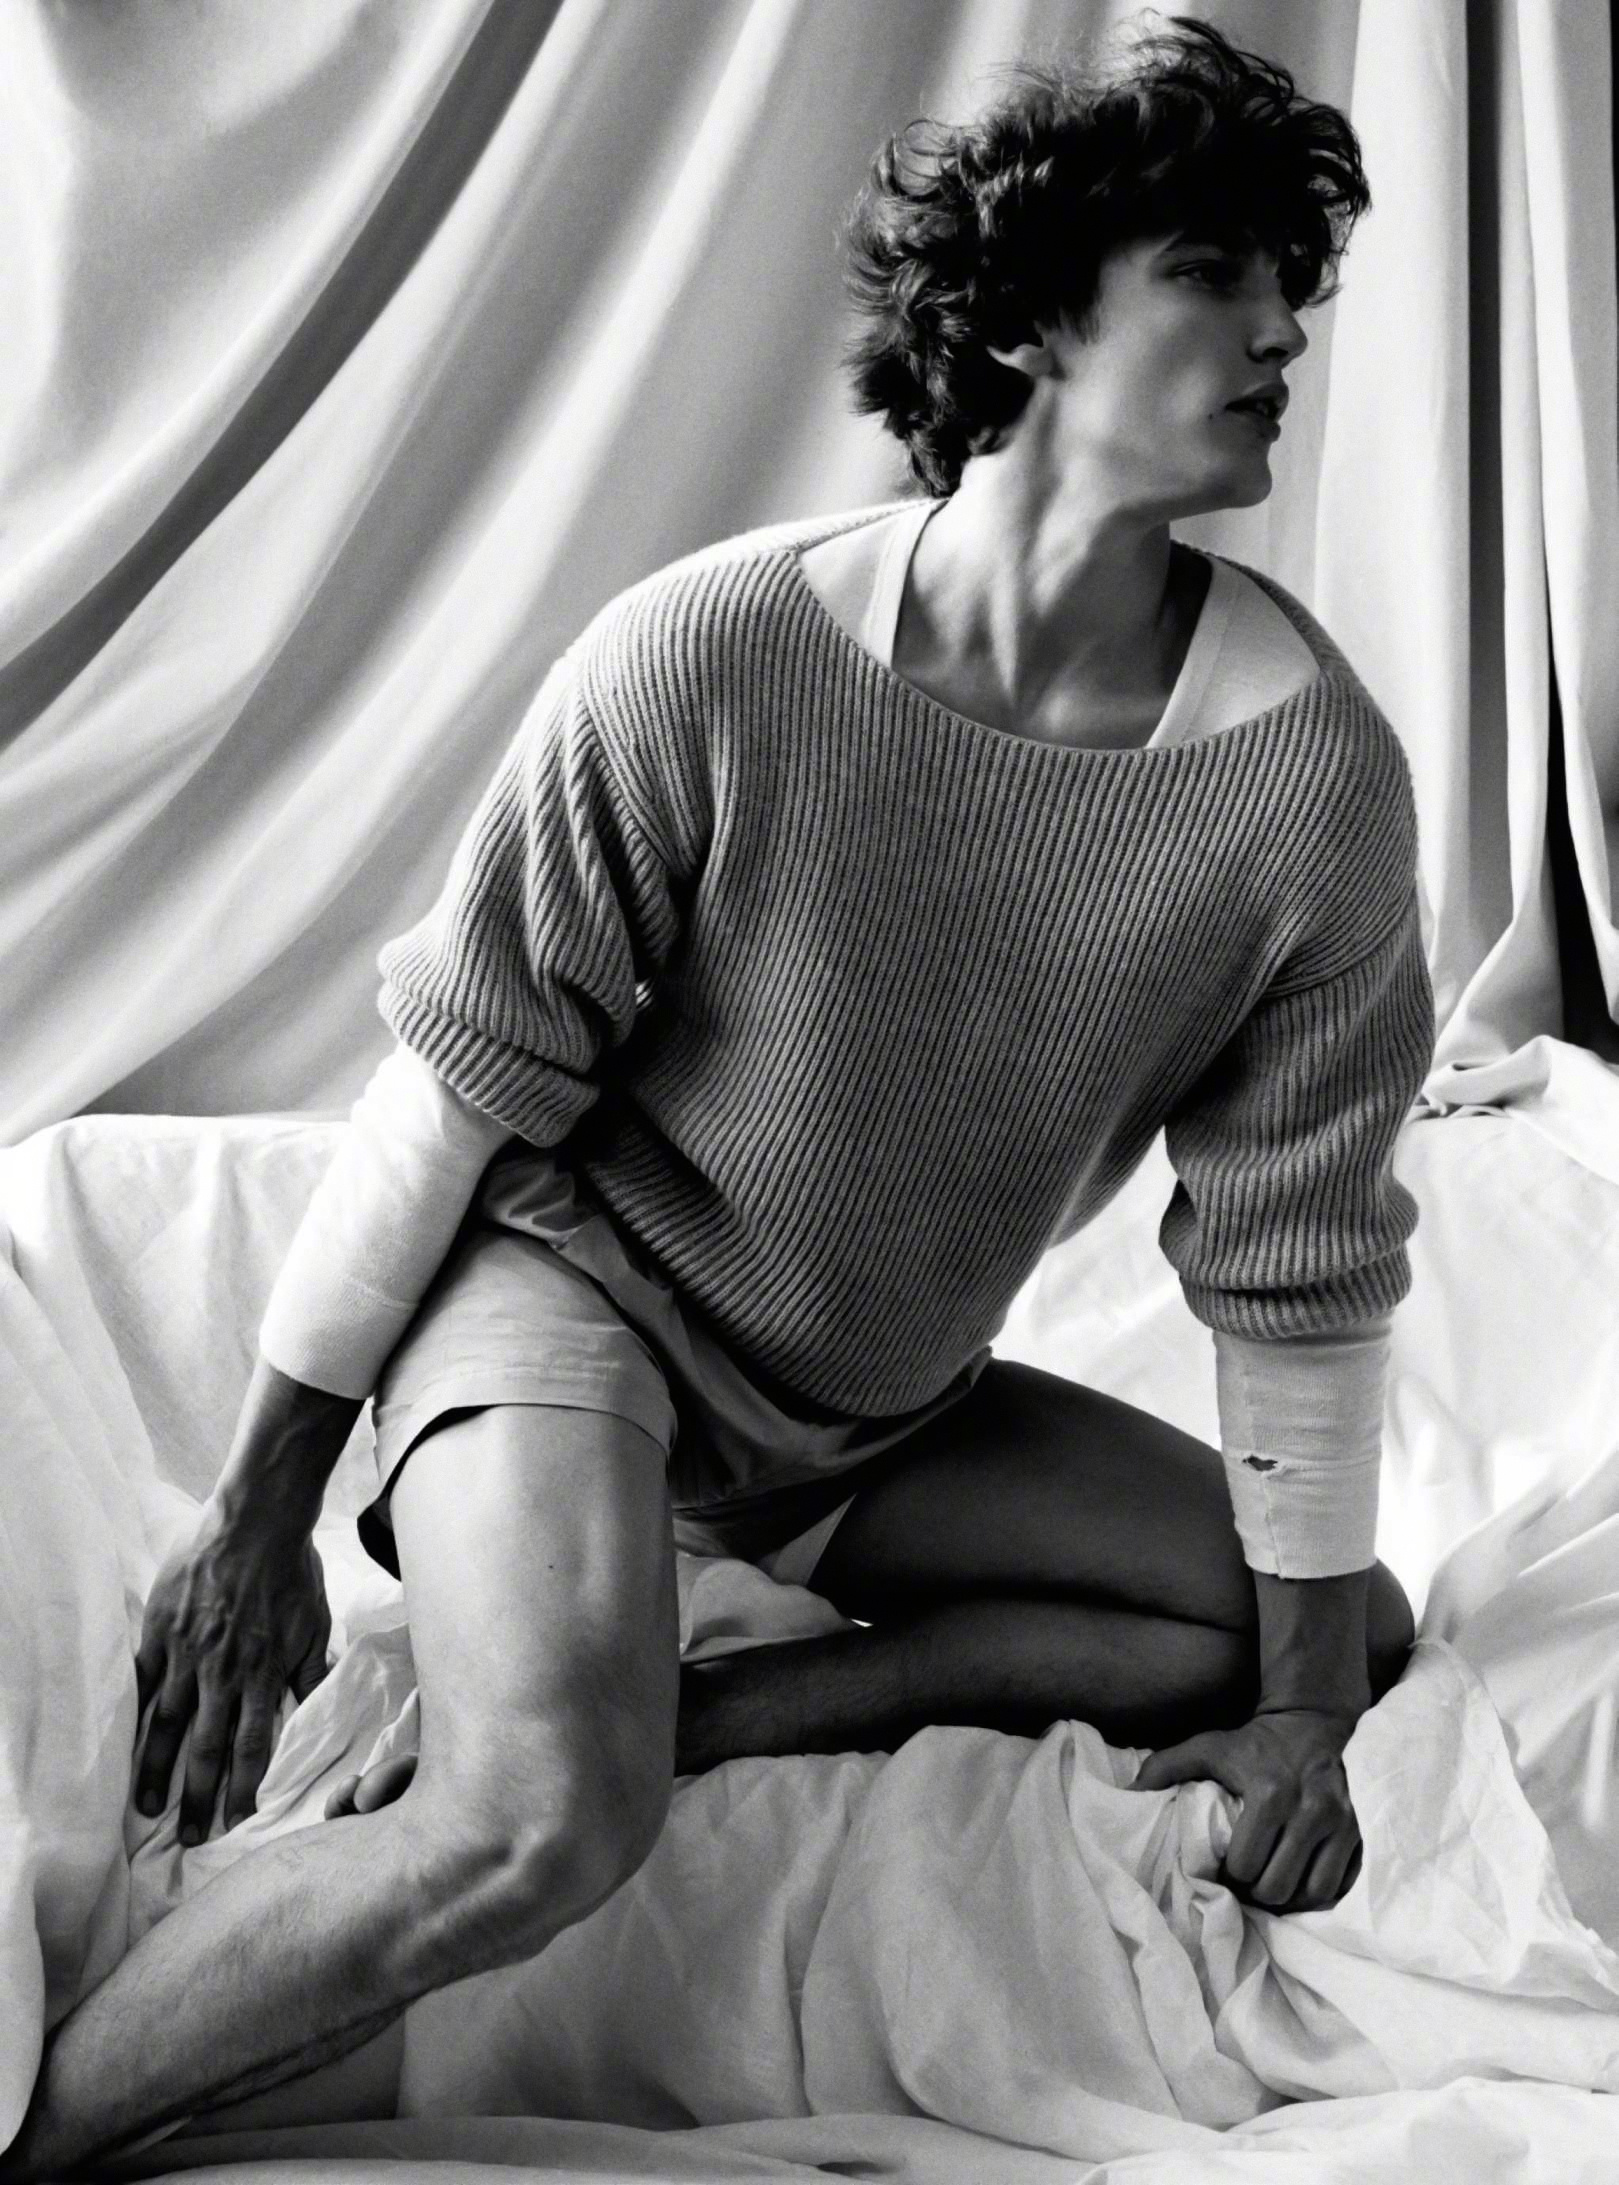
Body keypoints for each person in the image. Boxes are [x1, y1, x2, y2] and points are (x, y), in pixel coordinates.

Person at [5, 13, 1434, 2175]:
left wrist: (1309, 1710)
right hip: (573, 1301)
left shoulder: (1311, 781)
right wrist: (256, 1511)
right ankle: (33, 2140)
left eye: (1291, 285)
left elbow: (1299, 1271)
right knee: (541, 1817)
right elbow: (452, 1094)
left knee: (1324, 1618)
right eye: (1213, 277)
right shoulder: (714, 652)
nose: (1282, 332)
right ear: (1030, 322)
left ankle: (734, 1703)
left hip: (876, 1410)